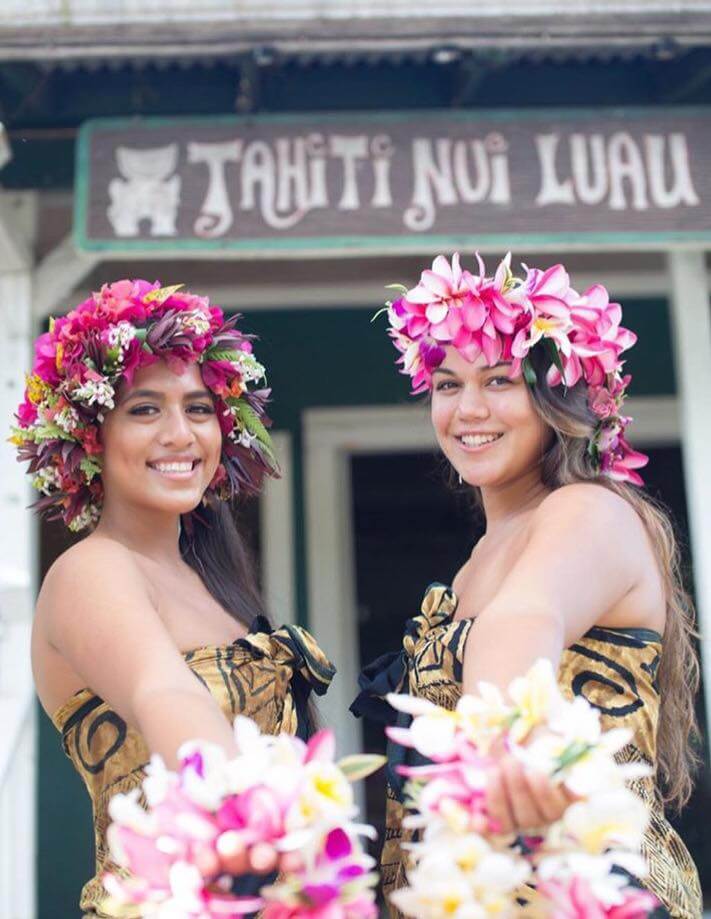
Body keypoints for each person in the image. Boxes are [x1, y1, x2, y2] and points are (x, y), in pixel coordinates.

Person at [351, 254, 701, 918]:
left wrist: (502, 744)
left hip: (579, 890)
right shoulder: (480, 556)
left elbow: (522, 623)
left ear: (558, 394)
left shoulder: (586, 510)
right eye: (447, 384)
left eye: (498, 380)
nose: (468, 408)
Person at [12, 279, 334, 917]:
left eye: (197, 408)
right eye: (144, 409)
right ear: (89, 436)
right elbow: (166, 693)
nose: (180, 434)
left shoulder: (214, 581)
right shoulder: (92, 571)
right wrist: (257, 839)